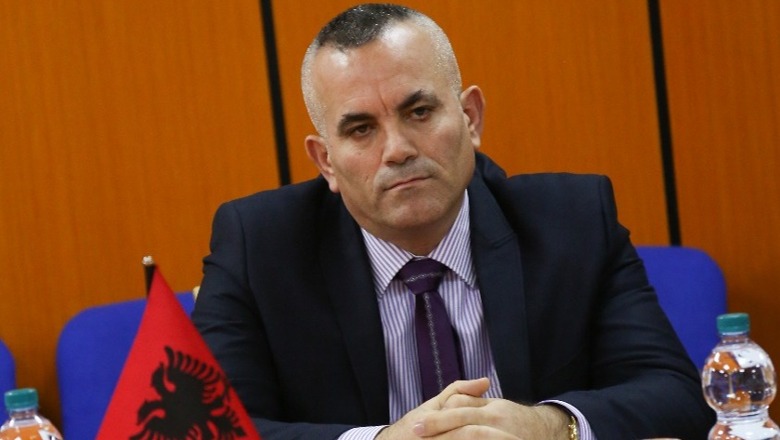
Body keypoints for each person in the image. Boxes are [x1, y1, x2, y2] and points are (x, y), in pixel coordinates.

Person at [192, 3, 714, 439]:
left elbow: (675, 395)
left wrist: (550, 426)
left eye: (419, 112)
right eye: (361, 129)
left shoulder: (573, 221)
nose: (397, 149)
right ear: (326, 161)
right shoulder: (258, 247)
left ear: (470, 117)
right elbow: (208, 430)